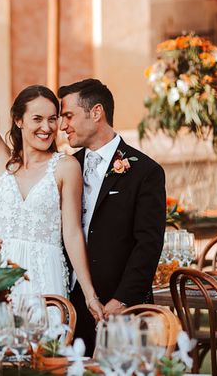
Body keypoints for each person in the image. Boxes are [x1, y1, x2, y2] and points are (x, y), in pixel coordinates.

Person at [0, 21, 103, 321]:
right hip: (0, 274)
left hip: (46, 276)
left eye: (53, 119)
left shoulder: (66, 167)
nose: (47, 127)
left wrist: (89, 294)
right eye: (37, 118)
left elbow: (73, 234)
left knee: (46, 357)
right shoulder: (1, 161)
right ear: (19, 120)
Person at [58, 78, 166, 354]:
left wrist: (123, 299)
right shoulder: (65, 168)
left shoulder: (146, 172)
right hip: (69, 304)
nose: (62, 126)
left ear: (96, 113)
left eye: (68, 115)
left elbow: (149, 244)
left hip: (122, 310)